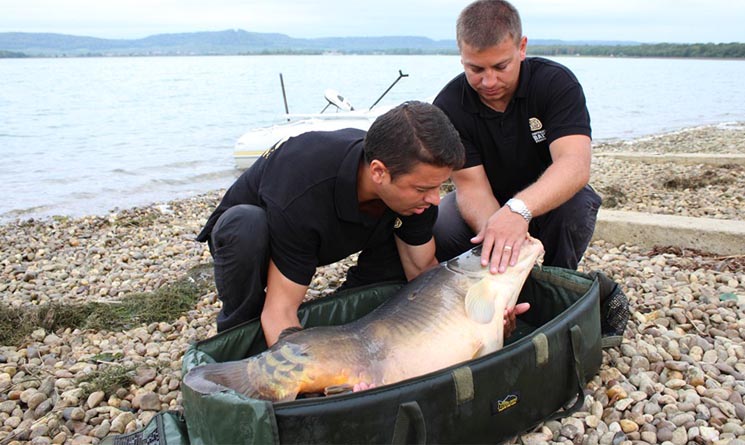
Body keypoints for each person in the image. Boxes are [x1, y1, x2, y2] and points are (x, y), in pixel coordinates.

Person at [196, 101, 465, 347]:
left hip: (332, 232)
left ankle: (350, 318)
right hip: (255, 235)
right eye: (423, 188)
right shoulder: (302, 186)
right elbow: (280, 311)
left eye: (439, 187)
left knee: (396, 274)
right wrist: (306, 378)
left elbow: (422, 272)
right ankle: (239, 333)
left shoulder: (416, 189)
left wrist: (466, 322)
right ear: (378, 172)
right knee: (246, 226)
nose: (435, 199)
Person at [433, 0, 602, 274]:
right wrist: (500, 240)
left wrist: (518, 210)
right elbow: (471, 187)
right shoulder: (448, 105)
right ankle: (491, 280)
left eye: (500, 67)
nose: (488, 82)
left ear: (521, 48)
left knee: (577, 207)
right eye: (476, 69)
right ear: (461, 55)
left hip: (547, 198)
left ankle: (559, 280)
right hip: (487, 199)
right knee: (440, 223)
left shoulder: (555, 83)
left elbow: (575, 165)